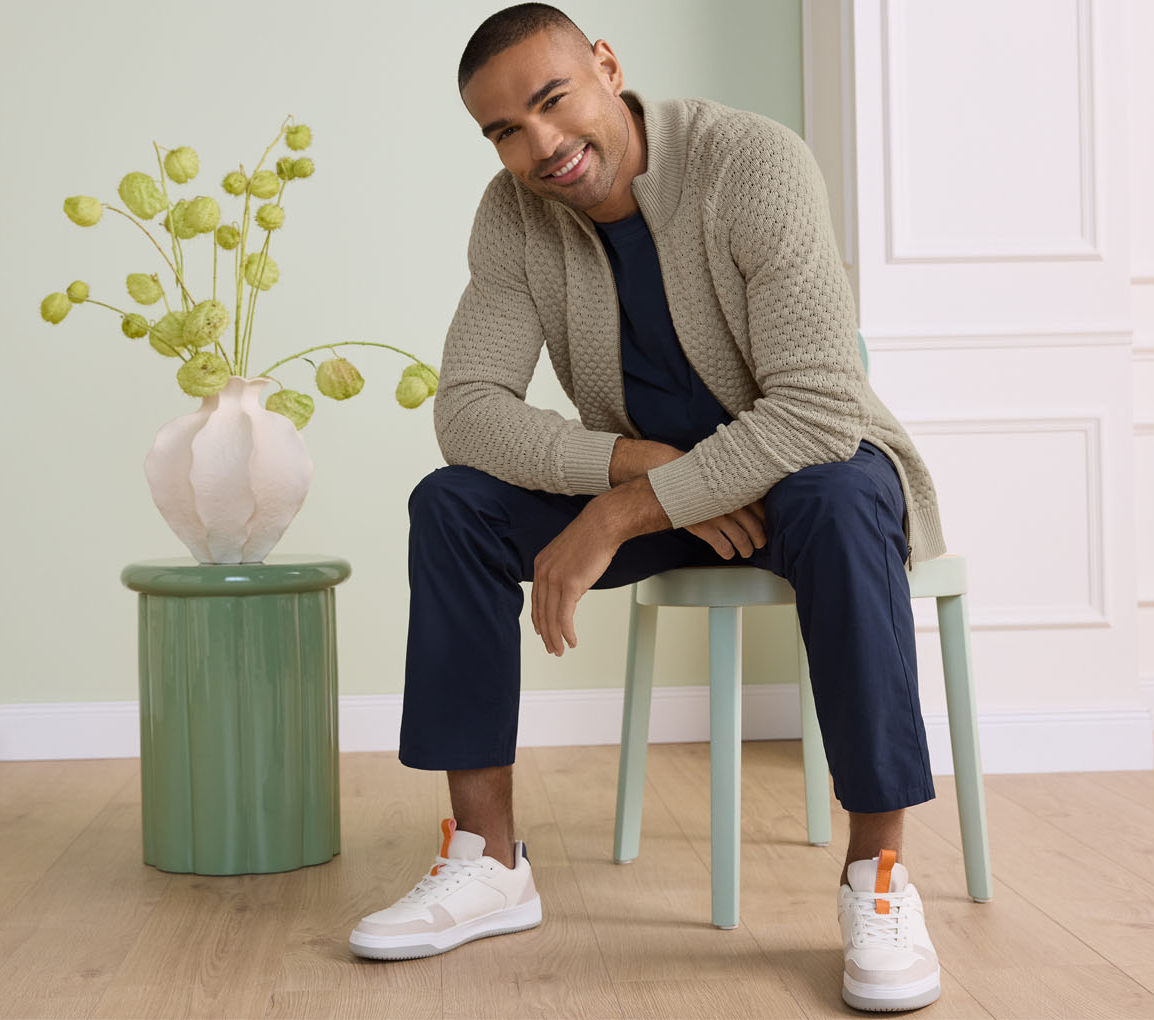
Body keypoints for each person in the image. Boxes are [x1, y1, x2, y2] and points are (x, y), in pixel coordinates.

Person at [345, 4, 951, 1012]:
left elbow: (816, 408)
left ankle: (877, 875)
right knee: (451, 505)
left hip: (806, 476)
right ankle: (487, 862)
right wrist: (629, 466)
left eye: (554, 101)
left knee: (843, 495)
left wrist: (623, 512)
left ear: (607, 65)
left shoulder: (751, 163)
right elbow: (468, 411)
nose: (543, 146)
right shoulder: (513, 217)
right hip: (665, 493)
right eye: (505, 131)